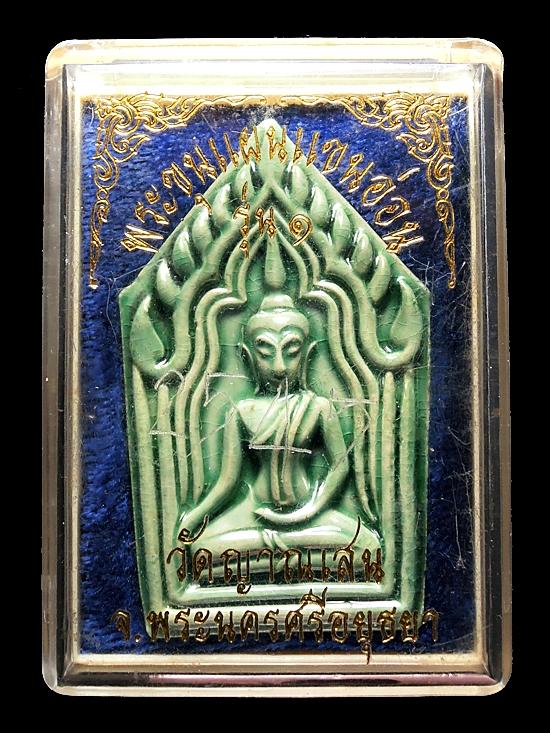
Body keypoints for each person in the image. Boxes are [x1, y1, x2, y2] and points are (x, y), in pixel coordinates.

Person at [179, 293, 379, 558]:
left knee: (367, 546)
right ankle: (289, 553)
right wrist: (194, 518)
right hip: (255, 514)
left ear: (307, 355)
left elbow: (340, 466)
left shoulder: (318, 407)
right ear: (248, 357)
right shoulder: (241, 411)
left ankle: (279, 552)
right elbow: (228, 482)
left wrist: (310, 510)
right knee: (202, 550)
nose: (279, 367)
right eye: (266, 353)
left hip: (311, 516)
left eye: (291, 352)